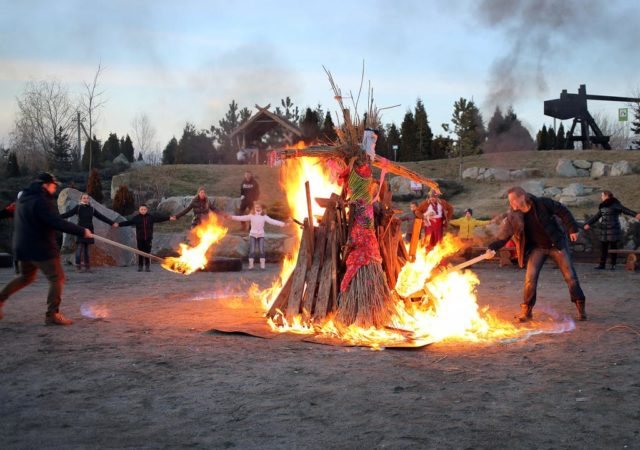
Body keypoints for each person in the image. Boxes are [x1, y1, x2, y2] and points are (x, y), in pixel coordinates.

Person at [0, 173, 91, 325]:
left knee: (25, 277)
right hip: (40, 248)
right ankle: (52, 315)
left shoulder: (23, 199)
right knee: (57, 278)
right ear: (45, 185)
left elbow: (9, 212)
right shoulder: (40, 201)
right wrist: (82, 231)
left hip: (22, 246)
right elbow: (54, 221)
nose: (54, 189)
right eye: (53, 186)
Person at [487, 186, 587, 322]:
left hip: (556, 244)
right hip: (538, 248)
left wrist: (572, 228)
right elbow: (503, 236)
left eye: (513, 201)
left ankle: (581, 308)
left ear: (522, 197)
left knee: (571, 277)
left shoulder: (542, 204)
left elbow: (563, 211)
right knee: (530, 279)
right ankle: (526, 311)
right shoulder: (514, 216)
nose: (511, 204)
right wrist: (492, 248)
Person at [60, 192, 117, 272]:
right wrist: (56, 217)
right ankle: (78, 267)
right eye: (84, 198)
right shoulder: (78, 207)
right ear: (81, 199)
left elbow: (102, 217)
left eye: (87, 198)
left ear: (88, 199)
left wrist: (112, 223)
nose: (86, 199)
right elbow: (68, 214)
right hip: (80, 230)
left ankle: (87, 267)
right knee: (79, 248)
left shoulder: (92, 209)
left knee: (87, 250)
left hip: (89, 231)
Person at [584, 190, 640, 270]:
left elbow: (625, 210)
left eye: (602, 196)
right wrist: (588, 223)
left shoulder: (615, 204)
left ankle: (613, 265)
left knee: (613, 248)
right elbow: (596, 217)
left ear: (606, 196)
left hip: (613, 230)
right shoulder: (603, 206)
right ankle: (602, 265)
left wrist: (636, 215)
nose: (601, 197)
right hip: (604, 230)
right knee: (603, 248)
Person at [230, 202, 286, 270]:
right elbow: (241, 218)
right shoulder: (251, 216)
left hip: (261, 235)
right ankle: (251, 265)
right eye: (256, 207)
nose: (257, 208)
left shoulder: (264, 217)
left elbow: (273, 221)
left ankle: (262, 265)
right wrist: (231, 217)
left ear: (262, 208)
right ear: (254, 208)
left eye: (259, 207)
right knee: (252, 250)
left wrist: (283, 224)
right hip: (253, 235)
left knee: (262, 251)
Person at [118, 204, 173, 272]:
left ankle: (147, 266)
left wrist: (169, 218)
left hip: (148, 238)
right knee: (140, 252)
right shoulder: (136, 218)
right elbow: (128, 222)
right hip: (140, 238)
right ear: (139, 210)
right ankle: (140, 266)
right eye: (141, 209)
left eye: (144, 209)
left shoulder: (151, 217)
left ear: (147, 210)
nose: (143, 211)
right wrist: (118, 224)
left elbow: (159, 219)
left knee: (147, 252)